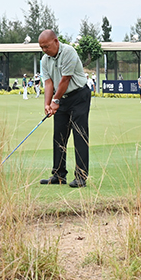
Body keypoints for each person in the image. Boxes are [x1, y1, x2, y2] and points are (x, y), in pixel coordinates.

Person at [38, 29, 91, 188]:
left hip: (78, 96)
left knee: (79, 135)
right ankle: (58, 174)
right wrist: (47, 104)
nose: (44, 50)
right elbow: (48, 83)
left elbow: (65, 79)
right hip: (61, 99)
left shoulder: (69, 52)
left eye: (46, 46)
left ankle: (81, 177)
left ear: (56, 41)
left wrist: (55, 100)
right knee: (59, 136)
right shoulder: (45, 60)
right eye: (41, 47)